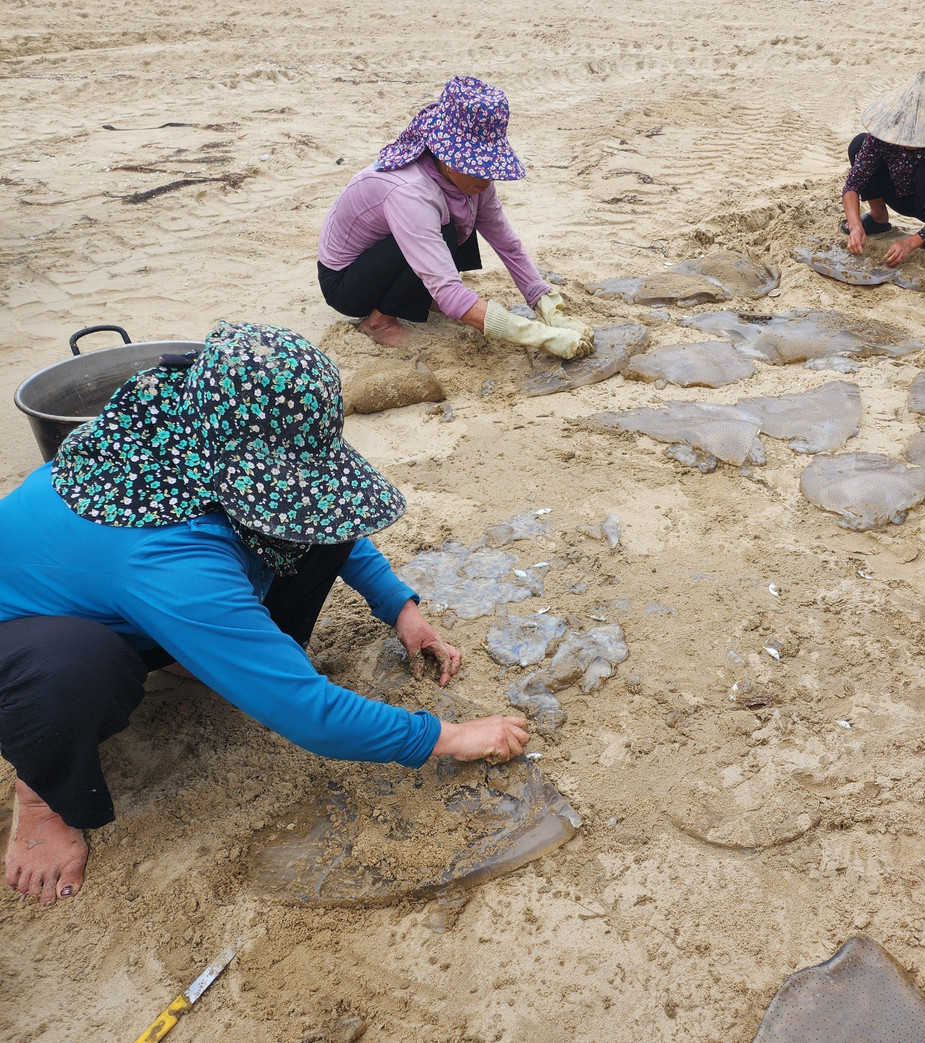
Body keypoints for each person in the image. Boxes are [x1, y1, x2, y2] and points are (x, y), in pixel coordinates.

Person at [0, 321, 531, 907]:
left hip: (125, 597)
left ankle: (192, 655)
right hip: (27, 644)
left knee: (319, 523)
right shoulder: (171, 557)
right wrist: (447, 736)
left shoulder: (191, 423)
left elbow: (324, 512)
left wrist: (401, 609)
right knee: (76, 668)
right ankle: (41, 799)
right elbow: (304, 711)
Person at [318, 75, 594, 357]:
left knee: (461, 216)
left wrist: (548, 307)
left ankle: (420, 297)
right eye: (478, 168)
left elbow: (506, 243)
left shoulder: (472, 181)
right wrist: (538, 335)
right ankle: (379, 321)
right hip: (347, 281)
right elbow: (450, 293)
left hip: (392, 249)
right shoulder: (411, 192)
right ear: (448, 158)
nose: (487, 179)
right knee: (446, 232)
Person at [841, 71, 925, 267]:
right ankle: (878, 217)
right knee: (858, 143)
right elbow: (853, 183)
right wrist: (855, 226)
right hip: (893, 190)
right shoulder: (884, 133)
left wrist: (910, 243)